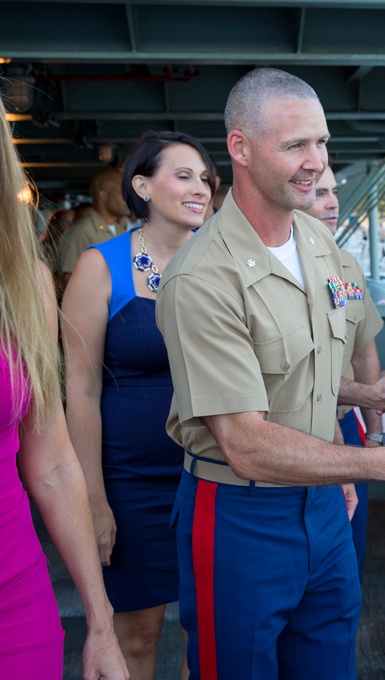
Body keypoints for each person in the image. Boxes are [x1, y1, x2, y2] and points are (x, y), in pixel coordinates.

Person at [154, 67, 385, 680]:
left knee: (330, 662)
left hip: (325, 503)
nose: (315, 162)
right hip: (241, 514)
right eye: (295, 144)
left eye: (321, 143)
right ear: (240, 148)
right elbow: (244, 442)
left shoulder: (321, 245)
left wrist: (343, 444)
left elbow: (312, 377)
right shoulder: (203, 276)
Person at [62, 131, 218, 680]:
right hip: (129, 484)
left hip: (214, 473)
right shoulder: (100, 266)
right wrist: (93, 501)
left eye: (205, 177)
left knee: (207, 632)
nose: (200, 187)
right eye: (184, 175)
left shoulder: (223, 264)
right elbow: (79, 391)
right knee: (136, 634)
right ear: (142, 186)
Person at [0, 94, 129, 680]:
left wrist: (100, 622)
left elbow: (50, 460)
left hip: (15, 598)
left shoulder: (18, 275)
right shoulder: (91, 246)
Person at [304, 165, 385, 579]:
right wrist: (375, 398)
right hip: (293, 435)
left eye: (334, 191)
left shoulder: (347, 267)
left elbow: (364, 352)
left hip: (348, 428)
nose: (333, 201)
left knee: (345, 557)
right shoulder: (274, 268)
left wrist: (374, 433)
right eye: (319, 192)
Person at [59, 167, 131, 286]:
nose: (127, 199)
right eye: (122, 192)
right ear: (103, 195)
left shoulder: (121, 231)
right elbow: (69, 280)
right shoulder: (81, 231)